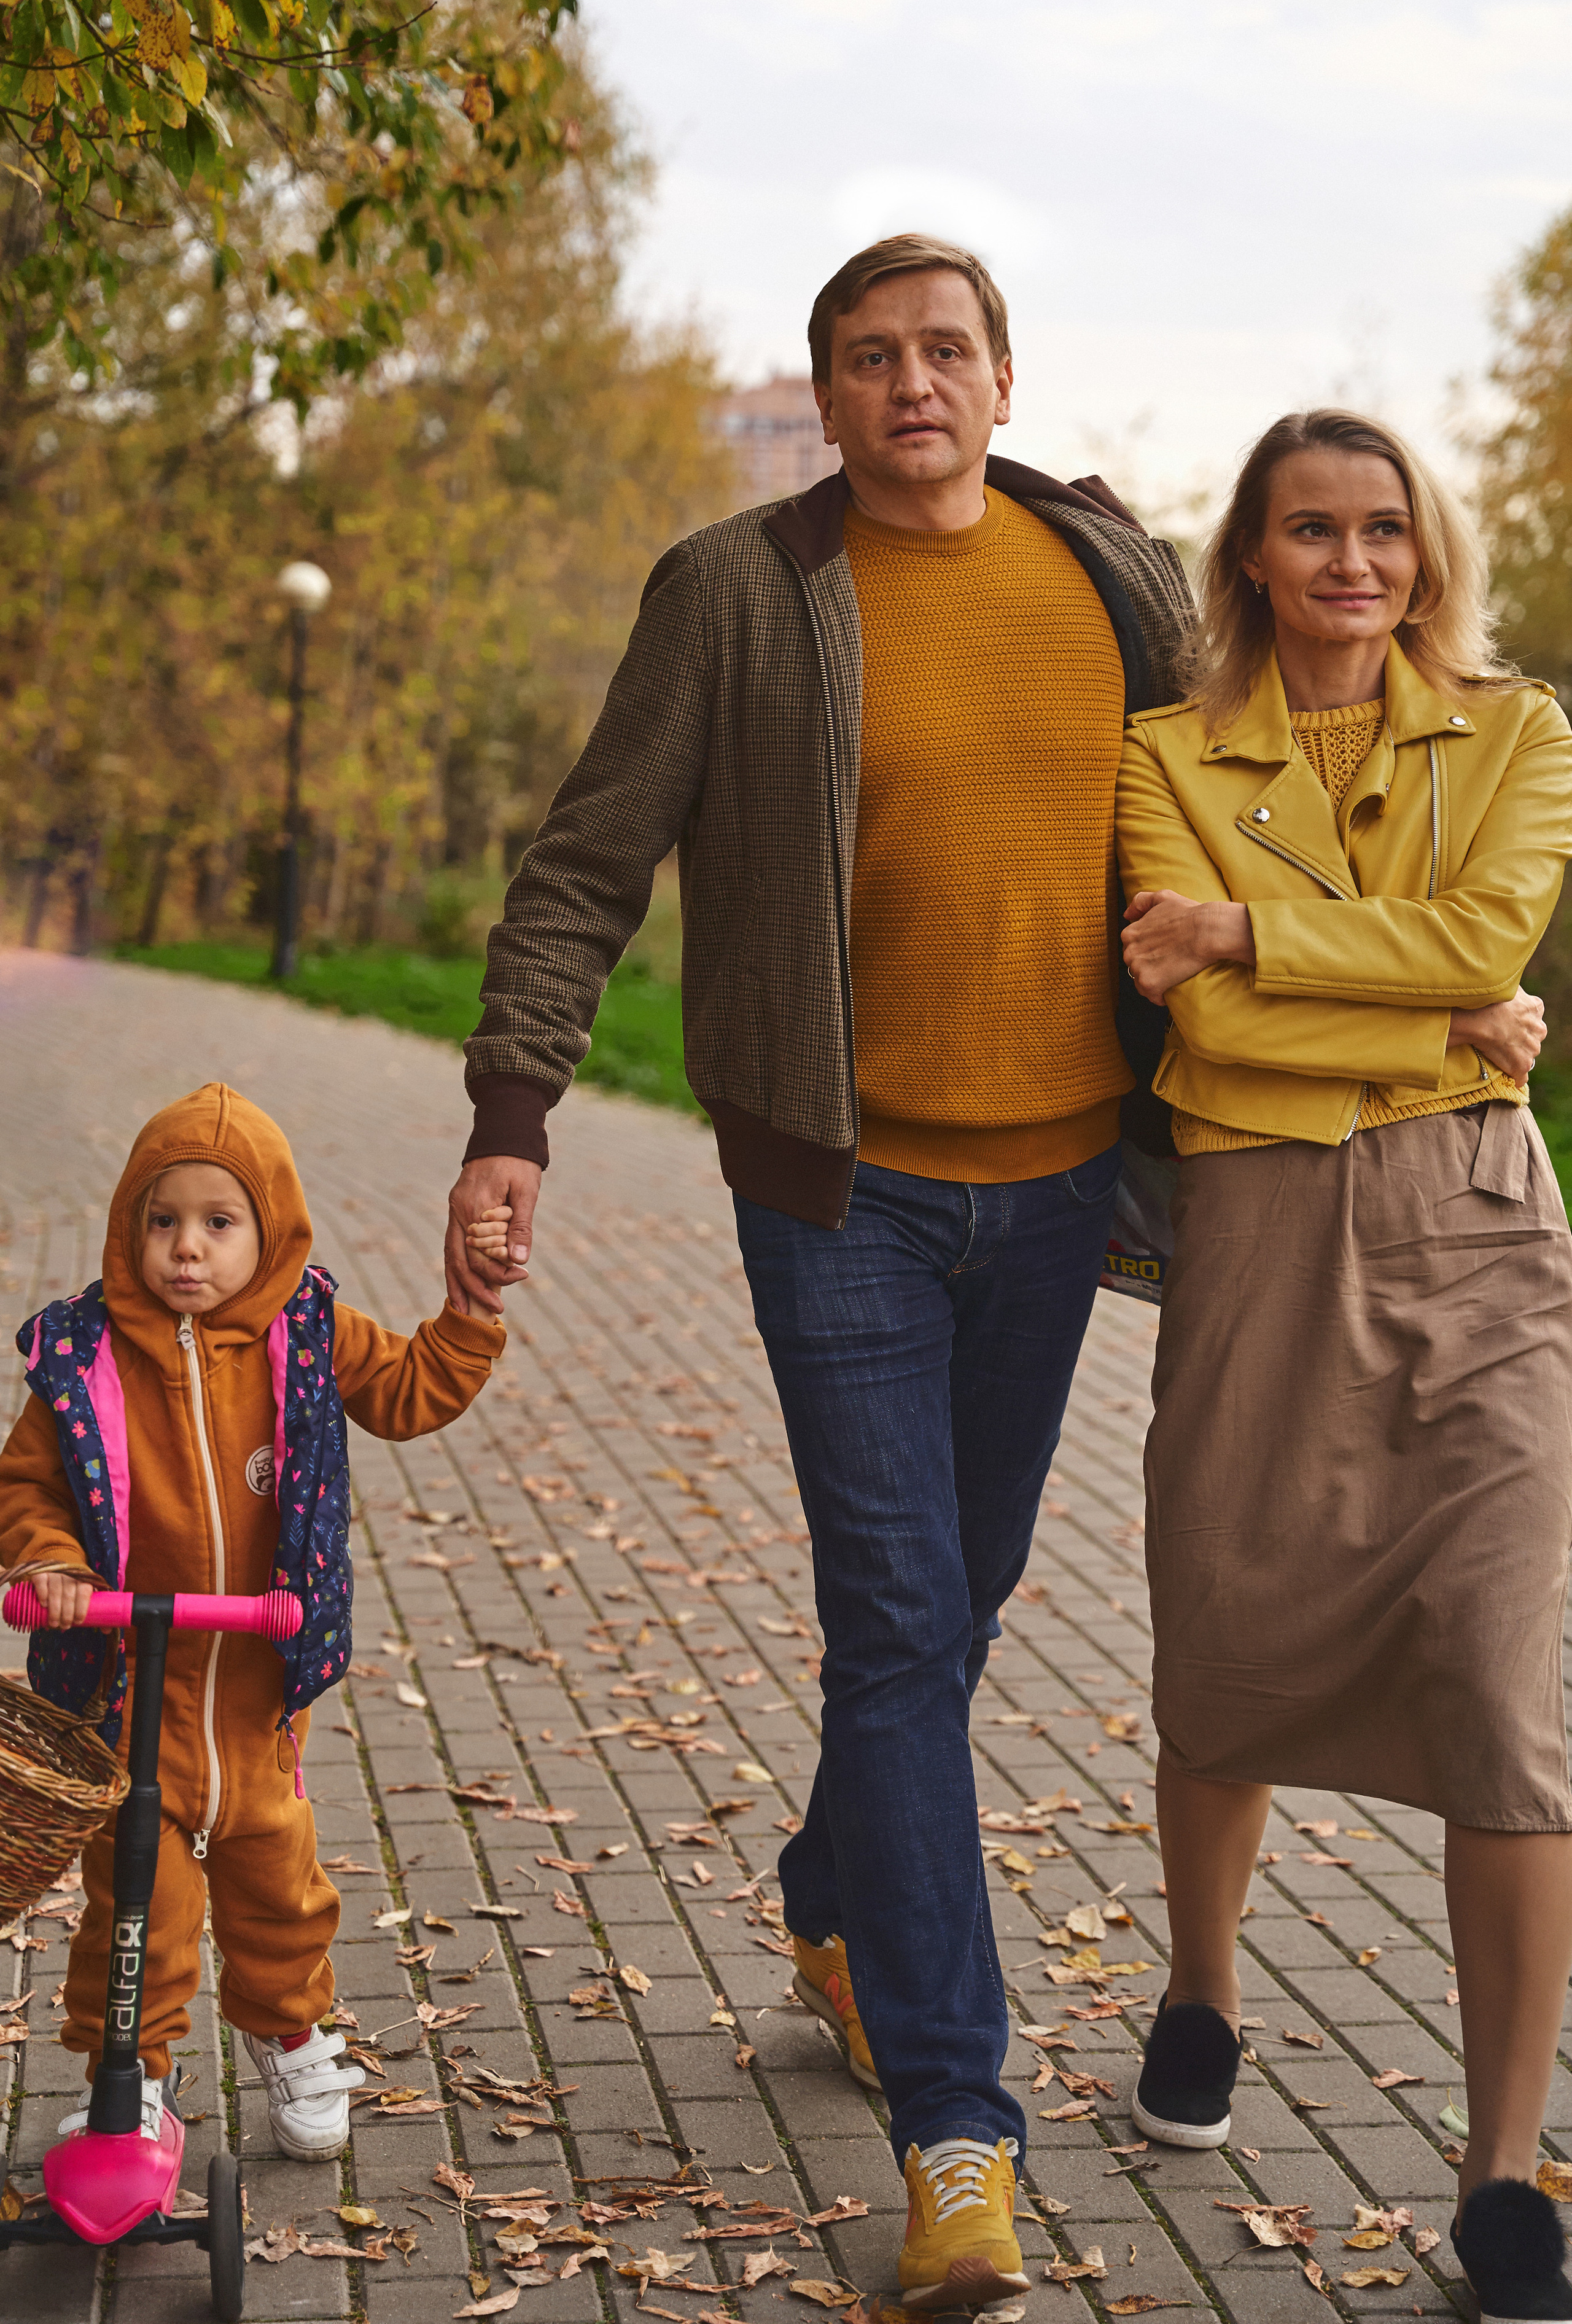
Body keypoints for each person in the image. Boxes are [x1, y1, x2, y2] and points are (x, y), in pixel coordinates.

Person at [444, 231, 1194, 2309]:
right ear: (832, 395)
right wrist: (513, 1118)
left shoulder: (1124, 579)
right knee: (895, 1625)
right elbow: (588, 861)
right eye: (870, 358)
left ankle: (830, 1897)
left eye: (946, 349)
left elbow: (1255, 827)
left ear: (1007, 380)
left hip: (1066, 1203)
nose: (912, 384)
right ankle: (964, 2138)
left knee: (961, 1601)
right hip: (835, 1194)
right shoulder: (740, 594)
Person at [1116, 407, 1572, 2323]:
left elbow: (1490, 925)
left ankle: (1503, 2172)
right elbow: (1199, 1028)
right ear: (1250, 560)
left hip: (1477, 1228)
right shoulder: (1160, 756)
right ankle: (1207, 1992)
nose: (1354, 564)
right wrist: (1434, 1007)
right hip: (1257, 1229)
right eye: (1312, 531)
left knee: (1502, 1675)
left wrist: (1260, 934)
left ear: (1425, 554)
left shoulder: (1524, 733)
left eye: (1385, 530)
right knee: (1223, 1635)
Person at [0, 1082, 504, 2161]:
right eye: (163, 1219)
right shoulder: (85, 1358)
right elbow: (29, 1484)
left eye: (219, 1224)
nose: (188, 1249)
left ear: (268, 1232)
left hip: (257, 1701)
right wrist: (49, 1560)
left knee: (279, 1887)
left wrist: (469, 1318)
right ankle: (127, 2075)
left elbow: (411, 1389)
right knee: (137, 1906)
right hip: (127, 1694)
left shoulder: (308, 1331)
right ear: (128, 1225)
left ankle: (288, 2028)